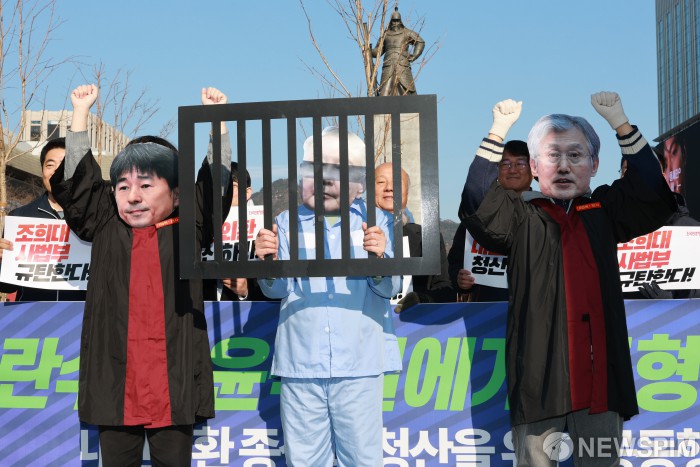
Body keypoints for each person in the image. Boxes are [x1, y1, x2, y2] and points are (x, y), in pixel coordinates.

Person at [463, 92, 676, 465]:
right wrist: (498, 131)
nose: (563, 166)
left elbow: (651, 189)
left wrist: (620, 123)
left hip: (600, 381)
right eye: (552, 155)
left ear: (594, 165)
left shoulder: (604, 211)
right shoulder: (522, 216)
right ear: (534, 165)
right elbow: (478, 198)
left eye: (575, 155)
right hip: (537, 380)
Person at [49, 84, 232, 466]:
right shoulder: (106, 218)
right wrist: (80, 114)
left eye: (147, 183)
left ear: (175, 192)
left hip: (173, 378)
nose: (134, 195)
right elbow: (78, 185)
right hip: (117, 379)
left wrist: (217, 122)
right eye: (124, 184)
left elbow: (215, 185)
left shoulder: (190, 223)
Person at [254, 126, 401, 466]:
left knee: (362, 460)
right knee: (304, 460)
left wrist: (380, 260)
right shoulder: (285, 222)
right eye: (315, 169)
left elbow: (389, 288)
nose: (325, 180)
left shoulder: (378, 221)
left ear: (358, 182)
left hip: (359, 363)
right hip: (300, 362)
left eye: (338, 171)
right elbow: (276, 290)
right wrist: (268, 264)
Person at [448, 99, 533, 302]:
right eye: (505, 163)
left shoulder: (544, 210)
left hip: (531, 308)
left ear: (534, 169)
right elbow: (454, 262)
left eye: (520, 163)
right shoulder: (477, 216)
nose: (512, 169)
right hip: (484, 312)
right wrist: (459, 279)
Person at [0, 137, 87, 301]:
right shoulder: (20, 217)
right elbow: (6, 287)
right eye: (50, 165)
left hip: (83, 314)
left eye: (64, 165)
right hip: (32, 314)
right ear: (42, 171)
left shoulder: (95, 217)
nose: (56, 171)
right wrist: (2, 261)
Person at [620, 147, 700, 299]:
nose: (636, 177)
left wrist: (673, 301)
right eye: (627, 171)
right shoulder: (607, 228)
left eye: (646, 170)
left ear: (661, 176)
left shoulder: (688, 229)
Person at [374, 162, 454, 311]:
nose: (389, 188)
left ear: (407, 193)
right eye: (381, 182)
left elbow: (445, 290)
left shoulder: (427, 238)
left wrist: (420, 299)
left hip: (411, 322)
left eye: (397, 183)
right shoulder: (352, 236)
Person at [372, 7, 425, 96]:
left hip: (402, 65)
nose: (396, 23)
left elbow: (420, 42)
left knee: (407, 92)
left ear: (400, 21)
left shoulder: (406, 32)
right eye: (394, 21)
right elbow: (378, 51)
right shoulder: (385, 34)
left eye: (397, 21)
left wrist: (414, 55)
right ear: (390, 21)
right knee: (384, 93)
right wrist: (368, 51)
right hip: (388, 66)